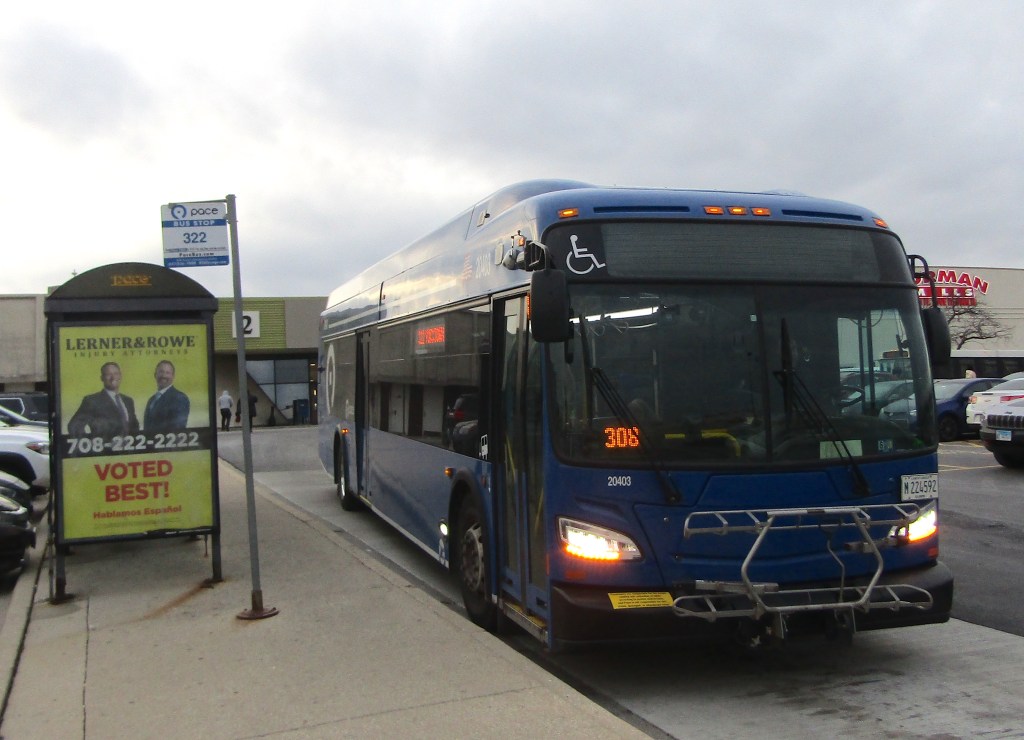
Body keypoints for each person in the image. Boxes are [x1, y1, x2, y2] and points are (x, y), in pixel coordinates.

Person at [67, 361, 140, 438]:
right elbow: (74, 426)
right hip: (105, 449)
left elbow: (134, 426)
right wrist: (89, 444)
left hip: (127, 448)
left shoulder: (128, 401)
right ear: (102, 378)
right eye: (108, 374)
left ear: (120, 376)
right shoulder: (92, 401)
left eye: (116, 374)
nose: (113, 377)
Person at [143, 360, 191, 432]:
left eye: (167, 373)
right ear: (155, 374)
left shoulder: (180, 398)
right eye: (161, 372)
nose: (164, 376)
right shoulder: (151, 400)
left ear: (173, 376)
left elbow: (178, 428)